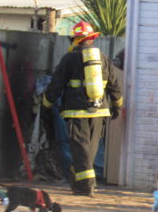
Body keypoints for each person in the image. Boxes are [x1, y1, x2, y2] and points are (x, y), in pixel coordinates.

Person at [42, 21, 123, 197]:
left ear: (76, 39)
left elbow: (56, 84)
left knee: (80, 149)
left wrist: (47, 103)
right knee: (90, 150)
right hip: (99, 111)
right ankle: (80, 185)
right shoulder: (102, 57)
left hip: (76, 111)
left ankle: (87, 186)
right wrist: (117, 105)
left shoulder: (69, 58)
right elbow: (114, 84)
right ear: (91, 39)